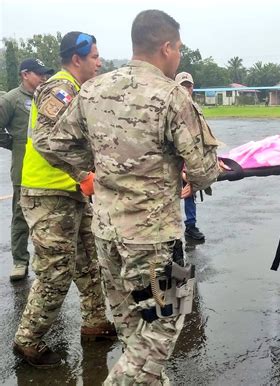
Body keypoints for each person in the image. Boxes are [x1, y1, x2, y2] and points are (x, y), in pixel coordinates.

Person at [47, 10, 220, 384]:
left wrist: (92, 170)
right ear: (167, 47)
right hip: (153, 236)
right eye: (179, 50)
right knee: (165, 323)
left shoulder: (92, 89)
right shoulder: (172, 95)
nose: (179, 57)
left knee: (131, 325)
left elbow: (53, 142)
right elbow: (204, 172)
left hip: (106, 232)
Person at [13, 32, 116, 369]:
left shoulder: (78, 90)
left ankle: (95, 323)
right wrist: (83, 173)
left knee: (89, 262)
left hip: (68, 193)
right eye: (95, 57)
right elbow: (45, 141)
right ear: (77, 59)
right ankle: (27, 341)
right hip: (48, 194)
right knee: (56, 273)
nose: (99, 62)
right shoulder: (60, 89)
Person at [0, 58, 53, 281]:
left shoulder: (48, 97)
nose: (43, 77)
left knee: (49, 220)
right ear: (25, 74)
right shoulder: (11, 99)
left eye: (44, 74)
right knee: (21, 217)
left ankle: (45, 260)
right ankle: (20, 261)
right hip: (23, 171)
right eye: (38, 74)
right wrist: (15, 144)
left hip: (48, 171)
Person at [175, 71, 206, 241]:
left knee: (189, 193)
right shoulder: (170, 109)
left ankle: (191, 226)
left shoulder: (196, 110)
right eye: (182, 86)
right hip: (173, 163)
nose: (186, 90)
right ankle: (171, 234)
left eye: (188, 86)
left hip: (190, 161)